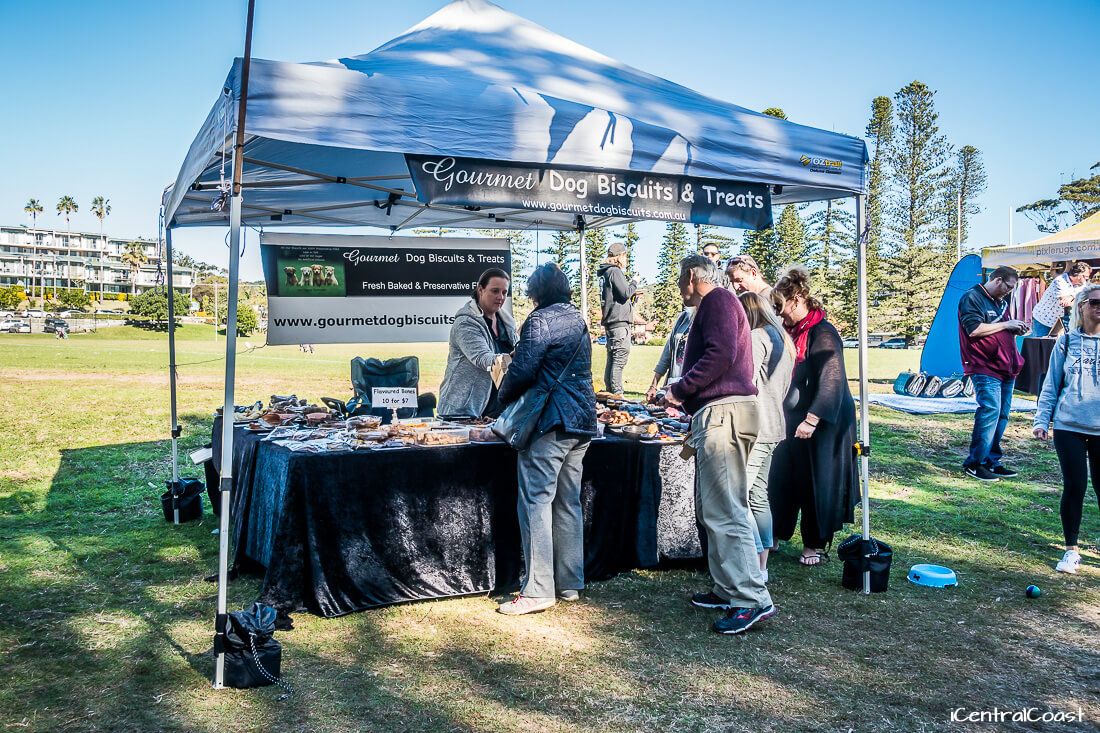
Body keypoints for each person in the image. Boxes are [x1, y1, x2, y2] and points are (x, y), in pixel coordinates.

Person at [662, 255, 775, 635]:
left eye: (680, 278)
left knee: (727, 510)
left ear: (692, 276)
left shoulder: (719, 301)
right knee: (718, 508)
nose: (678, 287)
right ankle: (729, 588)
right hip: (721, 413)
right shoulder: (719, 304)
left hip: (724, 414)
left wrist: (679, 390)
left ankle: (752, 599)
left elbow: (720, 354)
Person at [496, 263, 596, 615]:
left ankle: (538, 589)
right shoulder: (578, 318)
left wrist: (500, 398)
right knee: (568, 502)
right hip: (581, 421)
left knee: (536, 502)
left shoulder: (539, 320)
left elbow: (522, 369)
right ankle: (569, 583)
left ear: (536, 293)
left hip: (550, 422)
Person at [768, 266, 858, 567]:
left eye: (782, 309)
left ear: (796, 300)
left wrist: (812, 419)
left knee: (815, 481)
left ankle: (814, 543)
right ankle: (776, 532)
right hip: (793, 416)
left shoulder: (823, 332)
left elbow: (832, 380)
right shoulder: (790, 331)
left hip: (825, 422)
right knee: (781, 477)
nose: (780, 316)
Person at [1032, 284, 1100, 575]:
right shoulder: (1067, 341)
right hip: (1068, 425)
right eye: (1095, 302)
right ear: (1082, 306)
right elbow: (1051, 384)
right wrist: (1040, 420)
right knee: (1075, 486)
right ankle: (1071, 551)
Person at [738, 291, 794, 582]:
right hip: (775, 424)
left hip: (756, 427)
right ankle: (762, 566)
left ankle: (753, 561)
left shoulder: (758, 337)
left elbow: (745, 380)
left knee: (741, 495)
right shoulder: (784, 338)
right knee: (759, 496)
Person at [957, 266, 1027, 481]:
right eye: (1009, 286)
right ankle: (975, 463)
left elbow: (999, 328)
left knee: (1002, 415)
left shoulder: (1001, 302)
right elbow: (974, 329)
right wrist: (1007, 324)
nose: (1010, 291)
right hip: (984, 365)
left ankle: (991, 461)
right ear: (997, 280)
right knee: (990, 411)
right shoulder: (972, 297)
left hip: (1007, 365)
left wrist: (1014, 328)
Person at [438, 268, 518, 419]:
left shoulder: (507, 323)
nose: (500, 297)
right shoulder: (465, 322)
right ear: (480, 289)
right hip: (463, 411)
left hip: (498, 411)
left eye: (504, 292)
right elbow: (483, 360)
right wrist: (515, 355)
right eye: (495, 291)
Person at [596, 242, 636, 394]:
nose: (626, 260)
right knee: (619, 359)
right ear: (620, 256)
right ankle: (617, 396)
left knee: (612, 359)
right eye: (625, 256)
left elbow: (617, 297)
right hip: (619, 325)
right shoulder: (615, 271)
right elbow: (625, 293)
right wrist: (634, 282)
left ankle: (609, 394)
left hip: (612, 323)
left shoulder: (606, 272)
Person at [645, 307, 694, 402]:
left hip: (691, 390)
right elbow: (667, 354)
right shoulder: (683, 317)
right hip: (672, 389)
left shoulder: (708, 318)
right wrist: (653, 386)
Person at [1031, 262, 1092, 337]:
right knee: (1041, 345)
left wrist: (1072, 297)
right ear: (1079, 275)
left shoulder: (1083, 285)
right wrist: (1076, 297)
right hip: (1043, 320)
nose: (1087, 279)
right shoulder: (1060, 281)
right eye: (1086, 276)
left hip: (1059, 322)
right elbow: (1065, 303)